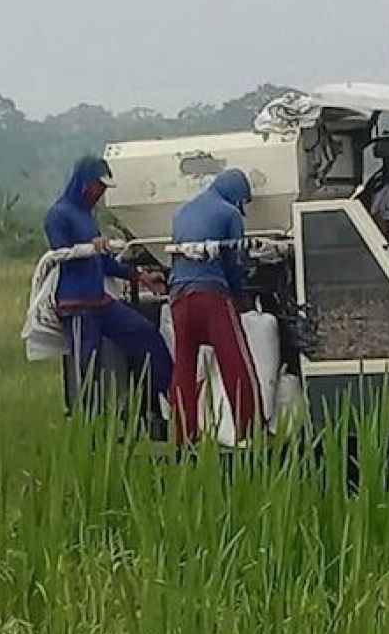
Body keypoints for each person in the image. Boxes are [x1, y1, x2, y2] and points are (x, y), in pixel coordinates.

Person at [44, 155, 172, 415]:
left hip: (100, 301)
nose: (101, 193)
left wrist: (140, 276)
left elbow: (104, 263)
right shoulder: (59, 215)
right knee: (87, 367)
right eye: (99, 186)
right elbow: (62, 254)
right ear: (85, 183)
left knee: (146, 334)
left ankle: (169, 396)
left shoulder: (87, 216)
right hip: (77, 304)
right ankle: (88, 428)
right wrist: (90, 248)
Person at [168, 168, 262, 447]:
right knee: (236, 364)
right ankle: (249, 432)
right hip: (211, 296)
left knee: (184, 368)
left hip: (179, 298)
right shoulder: (229, 213)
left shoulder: (181, 212)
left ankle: (184, 437)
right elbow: (236, 260)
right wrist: (238, 295)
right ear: (238, 196)